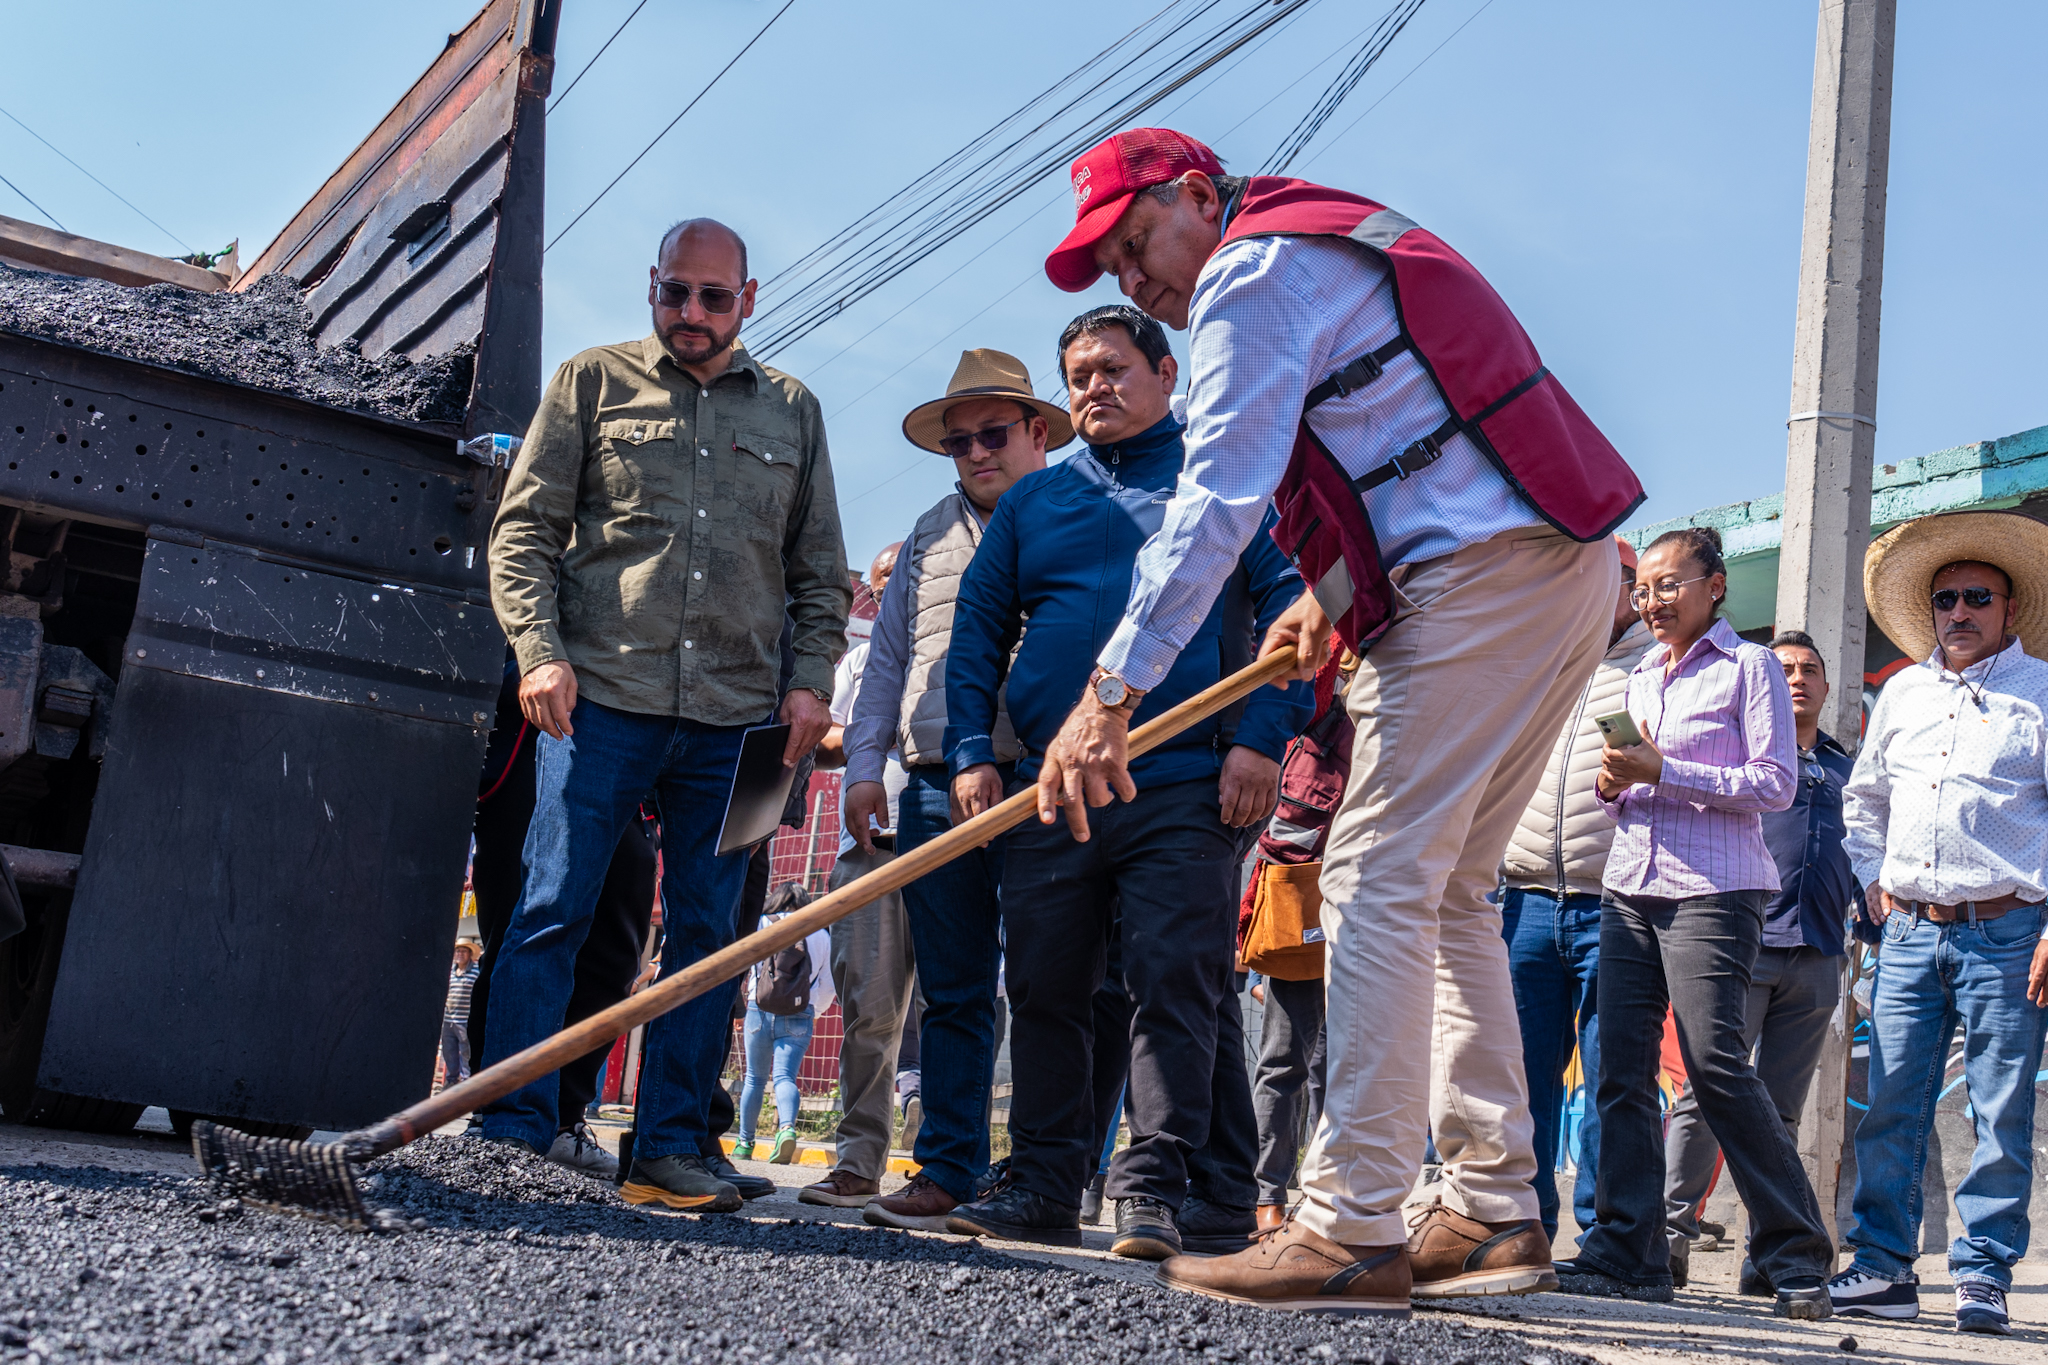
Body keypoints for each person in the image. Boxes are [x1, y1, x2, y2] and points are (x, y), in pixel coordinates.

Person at [1034, 128, 1638, 1311]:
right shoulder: (1319, 244)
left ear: (1193, 196)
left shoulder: (1248, 276)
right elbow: (1411, 450)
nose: (1128, 276)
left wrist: (1109, 694)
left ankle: (1350, 1220)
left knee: (1369, 876)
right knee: (1448, 886)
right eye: (1106, 261)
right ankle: (1489, 1204)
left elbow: (1217, 496)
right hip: (1550, 567)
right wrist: (1327, 594)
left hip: (1480, 582)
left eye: (1129, 242)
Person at [480, 217, 849, 1213]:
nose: (691, 314)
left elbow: (819, 577)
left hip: (744, 733)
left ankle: (669, 1150)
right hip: (599, 705)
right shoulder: (590, 384)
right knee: (551, 906)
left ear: (748, 300)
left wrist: (810, 683)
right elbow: (522, 536)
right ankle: (508, 1128)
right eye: (674, 293)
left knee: (711, 938)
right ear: (653, 288)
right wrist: (540, 654)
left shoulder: (793, 412)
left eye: (712, 298)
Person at [941, 304, 1310, 1258]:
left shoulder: (1221, 491)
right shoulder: (1035, 502)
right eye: (1077, 375)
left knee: (1170, 982)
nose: (1093, 387)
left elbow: (1292, 614)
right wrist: (975, 753)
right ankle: (1044, 1180)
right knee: (1048, 987)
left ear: (1167, 374)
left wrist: (1261, 741)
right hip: (1051, 791)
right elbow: (977, 631)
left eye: (1111, 368)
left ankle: (1153, 1186)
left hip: (1184, 781)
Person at [808, 349, 1067, 1228]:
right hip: (927, 781)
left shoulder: (1080, 513)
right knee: (953, 988)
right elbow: (886, 661)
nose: (975, 454)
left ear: (1038, 432)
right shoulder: (924, 534)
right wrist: (866, 763)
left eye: (992, 435)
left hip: (1043, 778)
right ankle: (948, 1166)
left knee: (1049, 986)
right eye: (959, 444)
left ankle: (1044, 1175)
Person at [1556, 526, 1832, 1317]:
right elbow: (1634, 783)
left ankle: (1796, 1252)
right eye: (1644, 589)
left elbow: (1776, 782)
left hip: (1714, 889)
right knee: (1620, 1070)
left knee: (1713, 1065)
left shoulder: (1749, 667)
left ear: (1715, 586)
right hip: (1628, 885)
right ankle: (1629, 1252)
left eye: (1670, 584)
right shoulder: (1642, 672)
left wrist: (1664, 769)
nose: (1652, 601)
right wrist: (1619, 779)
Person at [1829, 512, 2048, 1336]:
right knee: (1889, 1102)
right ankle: (1883, 1267)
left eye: (1976, 597)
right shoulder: (1904, 695)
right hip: (1911, 933)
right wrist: (1874, 875)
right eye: (1946, 597)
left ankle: (1984, 1272)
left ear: (2009, 610)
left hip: (2010, 932)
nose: (1959, 610)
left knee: (1998, 1109)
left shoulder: (2042, 695)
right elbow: (1865, 798)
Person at [1662, 629, 1856, 1289]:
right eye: (1785, 668)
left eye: (1810, 669)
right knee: (1702, 1093)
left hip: (1819, 956)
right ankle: (1666, 1237)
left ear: (1828, 687)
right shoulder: (1744, 758)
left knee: (1780, 1112)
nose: (1798, 678)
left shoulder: (1848, 767)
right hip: (1739, 944)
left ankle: (1766, 1257)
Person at [1498, 536, 1654, 1243]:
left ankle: (1604, 1236)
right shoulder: (1539, 655)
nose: (1601, 589)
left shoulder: (1659, 668)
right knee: (1520, 1075)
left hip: (1615, 902)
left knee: (1612, 1079)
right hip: (1526, 897)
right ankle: (1522, 1221)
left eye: (1620, 578)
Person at [468, 652, 660, 1180]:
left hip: (625, 730)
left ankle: (563, 1116)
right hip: (533, 732)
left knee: (617, 945)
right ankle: (497, 1113)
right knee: (522, 930)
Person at [800, 541, 918, 1209]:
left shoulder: (976, 630)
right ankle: (858, 1160)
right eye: (882, 577)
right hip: (871, 846)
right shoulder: (859, 659)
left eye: (907, 567)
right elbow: (822, 742)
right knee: (869, 1015)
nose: (892, 582)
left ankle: (945, 1166)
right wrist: (881, 728)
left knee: (958, 1013)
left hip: (956, 841)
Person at [735, 884, 834, 1164]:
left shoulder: (761, 923)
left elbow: (745, 965)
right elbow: (828, 984)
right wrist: (813, 1011)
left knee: (754, 1078)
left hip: (759, 1008)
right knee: (784, 1077)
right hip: (800, 1011)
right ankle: (787, 1129)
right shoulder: (820, 932)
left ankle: (744, 1144)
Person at [440, 940, 481, 1091]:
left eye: (463, 951)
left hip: (465, 1020)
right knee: (449, 1052)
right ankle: (451, 1082)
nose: (460, 954)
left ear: (470, 954)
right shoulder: (450, 972)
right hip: (448, 1020)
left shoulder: (476, 972)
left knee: (466, 1053)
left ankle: (466, 1085)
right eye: (458, 951)